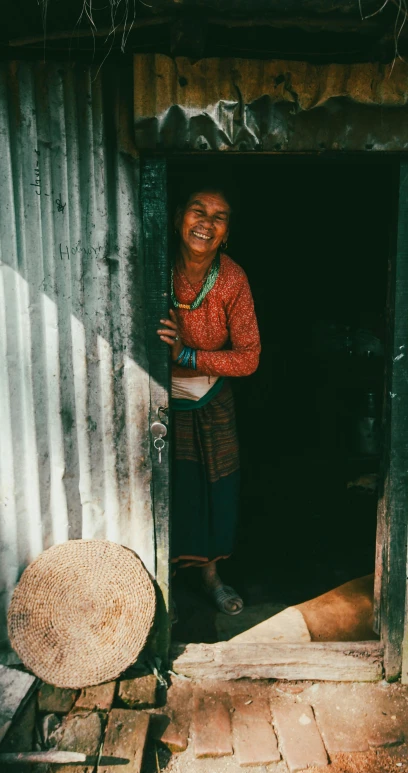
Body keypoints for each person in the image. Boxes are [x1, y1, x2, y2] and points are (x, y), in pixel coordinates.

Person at [157, 186, 261, 616]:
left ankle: (211, 578)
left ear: (226, 234)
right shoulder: (154, 261)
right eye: (198, 210)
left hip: (210, 397)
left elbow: (250, 357)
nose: (206, 222)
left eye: (219, 217)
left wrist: (186, 355)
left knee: (216, 492)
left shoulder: (232, 279)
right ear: (180, 216)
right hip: (157, 398)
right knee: (171, 493)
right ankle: (165, 586)